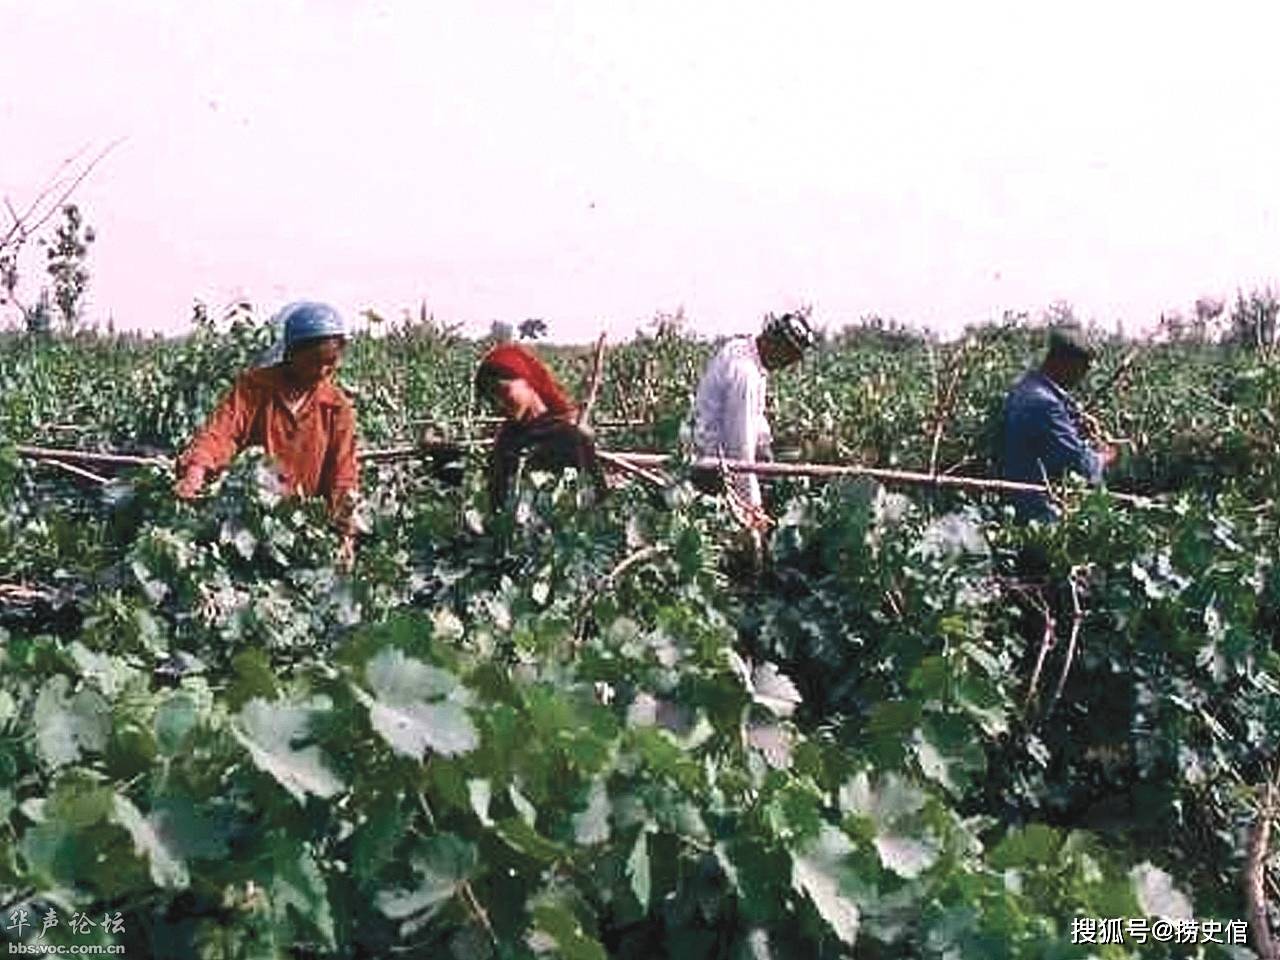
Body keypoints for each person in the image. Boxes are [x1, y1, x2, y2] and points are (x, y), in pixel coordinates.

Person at [175, 301, 359, 565]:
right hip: (249, 522)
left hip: (304, 529)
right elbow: (221, 434)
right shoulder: (254, 388)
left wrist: (345, 534)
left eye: (329, 363)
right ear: (292, 354)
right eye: (313, 361)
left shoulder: (335, 406)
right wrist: (195, 472)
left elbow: (343, 472)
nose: (321, 371)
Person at [690, 310, 815, 529]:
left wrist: (768, 448)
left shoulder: (743, 350)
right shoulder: (745, 375)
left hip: (718, 456)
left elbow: (755, 423)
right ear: (775, 344)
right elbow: (739, 451)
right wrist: (753, 509)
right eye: (788, 357)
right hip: (711, 469)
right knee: (752, 520)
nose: (786, 365)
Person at [999, 325, 1117, 522]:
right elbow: (1081, 466)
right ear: (1064, 362)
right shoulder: (1045, 404)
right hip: (1037, 512)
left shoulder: (1025, 388)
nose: (1084, 376)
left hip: (1015, 502)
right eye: (1083, 368)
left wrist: (1071, 426)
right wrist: (1105, 456)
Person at [474, 342, 607, 511]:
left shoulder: (569, 437)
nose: (498, 405)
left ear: (527, 381)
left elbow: (597, 501)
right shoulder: (506, 441)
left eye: (502, 391)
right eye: (491, 400)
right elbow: (495, 501)